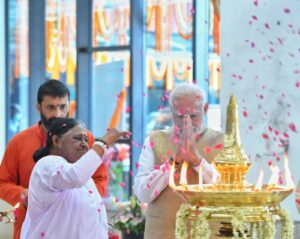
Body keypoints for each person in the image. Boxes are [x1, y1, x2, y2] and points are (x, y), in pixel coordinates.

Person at [0, 79, 108, 239]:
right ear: (38, 107)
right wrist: (25, 194)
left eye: (62, 107)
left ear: (69, 106)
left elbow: (99, 180)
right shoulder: (19, 142)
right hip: (33, 226)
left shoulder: (86, 140)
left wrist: (78, 199)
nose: (57, 114)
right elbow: (2, 183)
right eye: (51, 107)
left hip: (76, 228)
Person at [134, 83, 224, 239]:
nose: (186, 122)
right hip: (162, 232)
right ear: (171, 110)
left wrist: (197, 161)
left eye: (193, 116)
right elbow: (143, 194)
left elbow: (226, 192)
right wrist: (173, 163)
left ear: (206, 109)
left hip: (209, 232)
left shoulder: (222, 142)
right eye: (180, 116)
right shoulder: (154, 140)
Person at [20, 118, 129, 239]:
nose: (84, 144)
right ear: (56, 141)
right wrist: (103, 143)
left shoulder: (85, 179)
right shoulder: (47, 165)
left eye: (86, 139)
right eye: (77, 138)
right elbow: (75, 176)